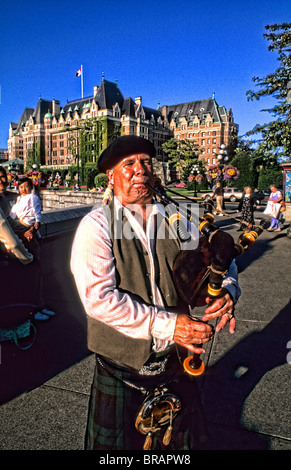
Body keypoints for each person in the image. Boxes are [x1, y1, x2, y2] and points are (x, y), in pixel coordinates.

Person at [70, 135, 240, 451]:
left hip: (174, 362)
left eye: (146, 162)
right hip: (123, 368)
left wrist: (226, 290)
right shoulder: (99, 224)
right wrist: (172, 325)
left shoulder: (174, 218)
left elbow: (218, 260)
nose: (141, 170)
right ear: (111, 174)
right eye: (129, 164)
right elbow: (99, 299)